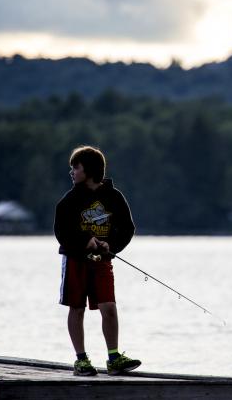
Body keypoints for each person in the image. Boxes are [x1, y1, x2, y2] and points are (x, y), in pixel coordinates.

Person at [54, 145, 141, 376]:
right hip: (75, 261)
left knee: (109, 307)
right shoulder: (69, 200)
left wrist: (110, 245)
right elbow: (62, 232)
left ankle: (114, 358)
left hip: (102, 261)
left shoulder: (114, 197)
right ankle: (81, 360)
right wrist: (85, 241)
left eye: (76, 167)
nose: (71, 172)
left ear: (90, 170)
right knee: (77, 308)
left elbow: (127, 229)